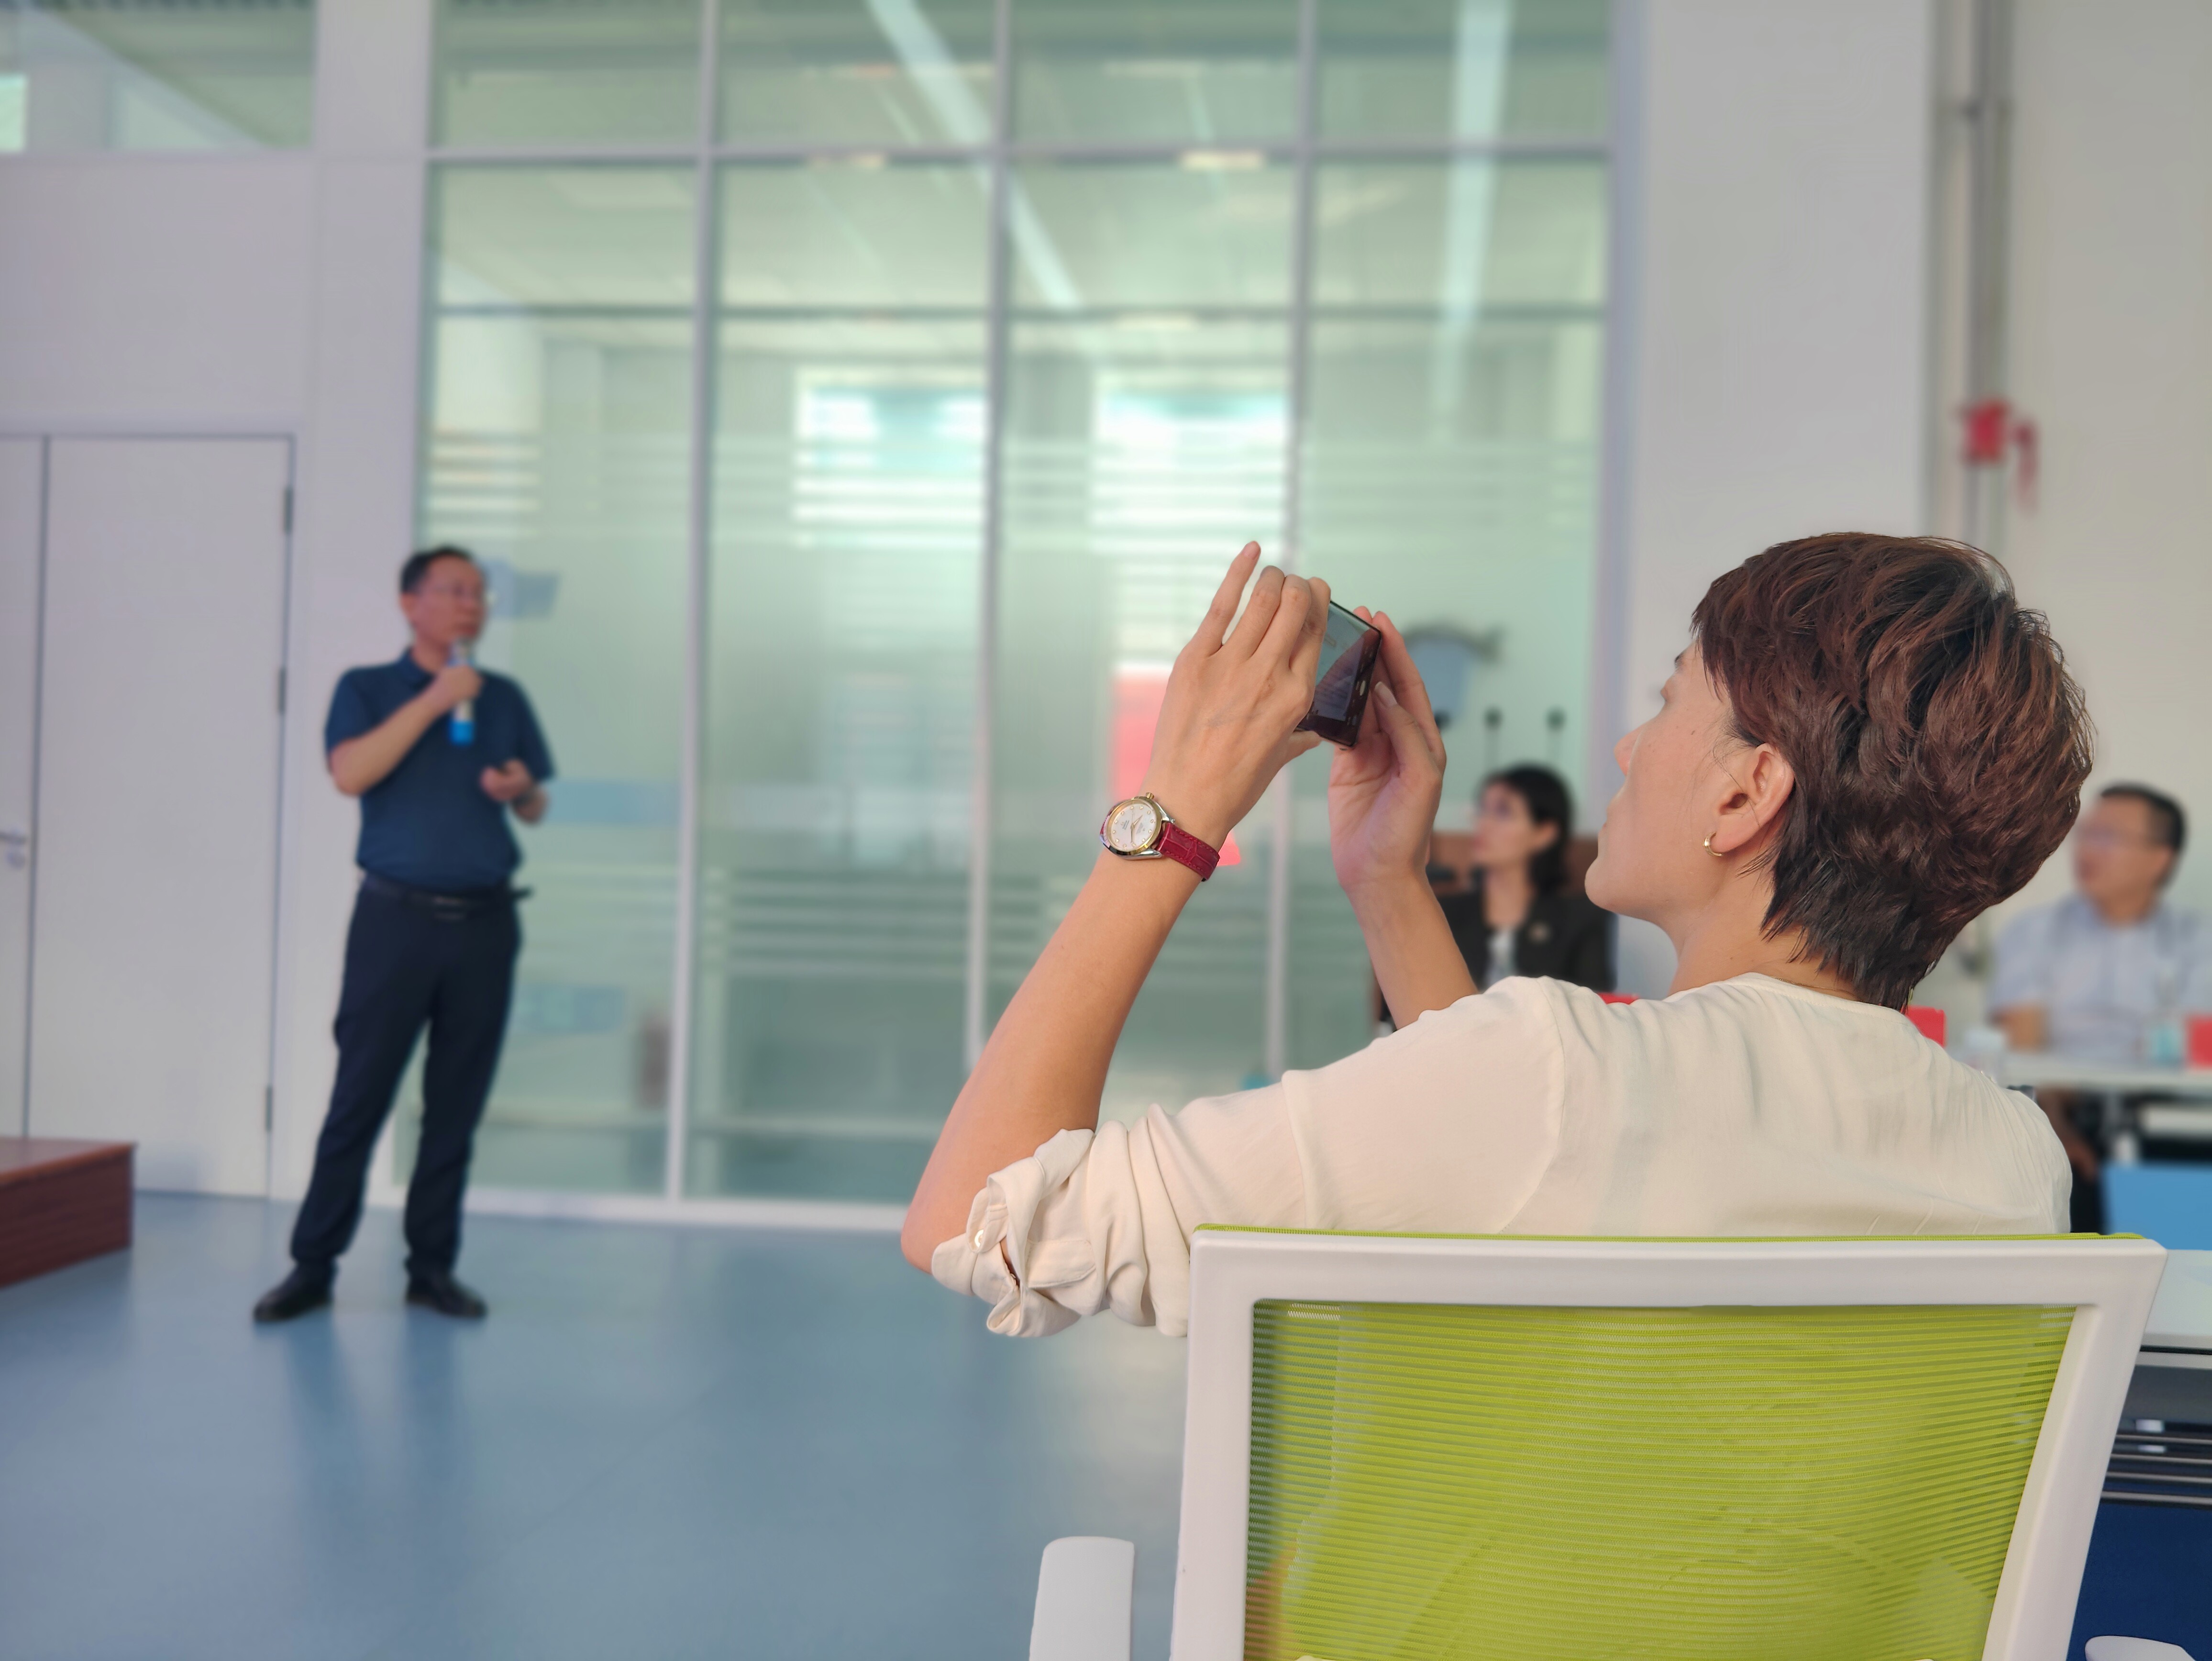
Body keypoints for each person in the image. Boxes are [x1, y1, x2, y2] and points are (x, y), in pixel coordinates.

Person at [903, 533, 2088, 1340]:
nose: (1627, 749)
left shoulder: (1557, 1075)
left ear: (1744, 793)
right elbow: (1519, 1170)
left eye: (1666, 702)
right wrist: (1389, 881)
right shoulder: (2013, 1161)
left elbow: (978, 1222)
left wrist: (1171, 815)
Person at [254, 547, 553, 1324]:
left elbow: (535, 805)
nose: (470, 604)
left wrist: (521, 790)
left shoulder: (503, 697)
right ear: (409, 602)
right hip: (395, 923)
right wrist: (435, 700)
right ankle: (312, 1266)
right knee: (359, 1097)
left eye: (479, 593)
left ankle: (431, 1270)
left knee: (455, 1107)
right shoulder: (367, 689)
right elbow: (351, 774)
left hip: (486, 926)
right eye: (453, 590)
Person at [1989, 783, 2212, 1228]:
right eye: (2086, 833)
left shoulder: (2197, 943)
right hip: (2057, 1115)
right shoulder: (2033, 933)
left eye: (2108, 837)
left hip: (2165, 1119)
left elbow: (2190, 1048)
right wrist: (2056, 1126)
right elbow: (2023, 1054)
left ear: (2159, 859)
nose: (2087, 850)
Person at [1437, 764, 1612, 992]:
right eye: (1482, 810)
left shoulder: (1580, 920)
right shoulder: (1442, 913)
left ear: (1545, 833)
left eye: (1503, 813)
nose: (1484, 824)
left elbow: (1593, 1004)